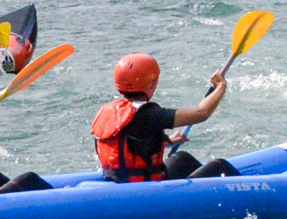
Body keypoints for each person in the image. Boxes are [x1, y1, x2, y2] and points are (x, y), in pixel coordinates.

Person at [92, 53, 240, 183]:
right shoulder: (150, 113)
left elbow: (129, 141)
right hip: (145, 190)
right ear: (151, 83)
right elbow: (201, 113)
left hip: (122, 183)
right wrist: (221, 87)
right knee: (220, 166)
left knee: (182, 158)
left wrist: (166, 142)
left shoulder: (110, 110)